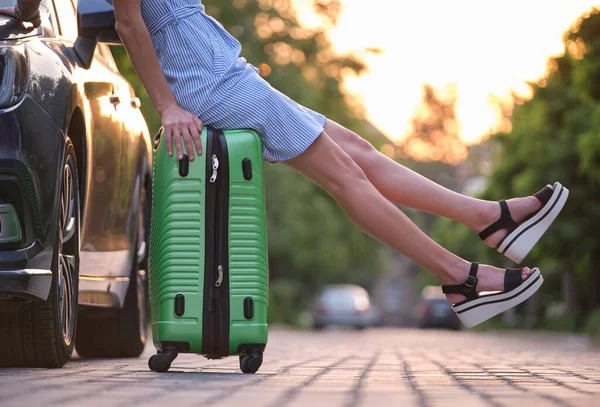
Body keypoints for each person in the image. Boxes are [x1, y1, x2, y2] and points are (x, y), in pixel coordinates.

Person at [4, 0, 568, 327]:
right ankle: (461, 277)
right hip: (209, 84)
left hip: (223, 69)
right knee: (344, 177)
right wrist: (169, 105)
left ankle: (489, 219)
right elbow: (128, 23)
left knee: (359, 153)